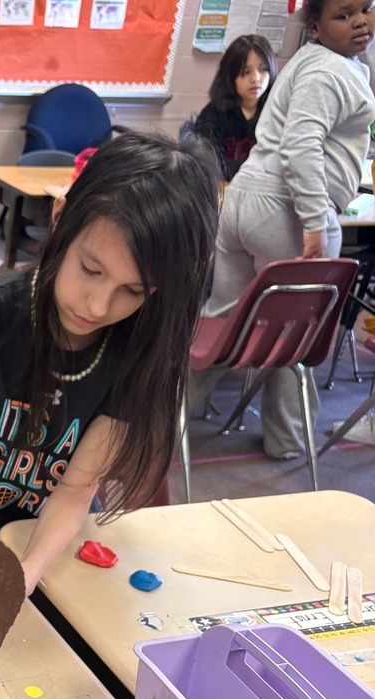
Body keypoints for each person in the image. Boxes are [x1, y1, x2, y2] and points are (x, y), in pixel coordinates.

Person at [0, 132, 219, 596]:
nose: (98, 305)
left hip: (51, 544)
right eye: (91, 269)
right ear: (61, 217)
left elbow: (74, 493)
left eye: (133, 291)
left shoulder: (136, 352)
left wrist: (24, 577)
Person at [194, 0, 375, 459]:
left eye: (367, 9)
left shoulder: (322, 63)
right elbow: (300, 145)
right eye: (344, 14)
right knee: (294, 335)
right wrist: (316, 221)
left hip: (247, 202)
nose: (360, 20)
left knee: (225, 323)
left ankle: (161, 416)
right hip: (287, 210)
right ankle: (288, 443)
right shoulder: (327, 72)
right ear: (314, 27)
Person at [193, 34, 277, 181]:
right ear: (230, 75)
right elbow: (206, 162)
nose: (256, 79)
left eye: (263, 69)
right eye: (246, 72)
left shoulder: (277, 113)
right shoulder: (213, 114)